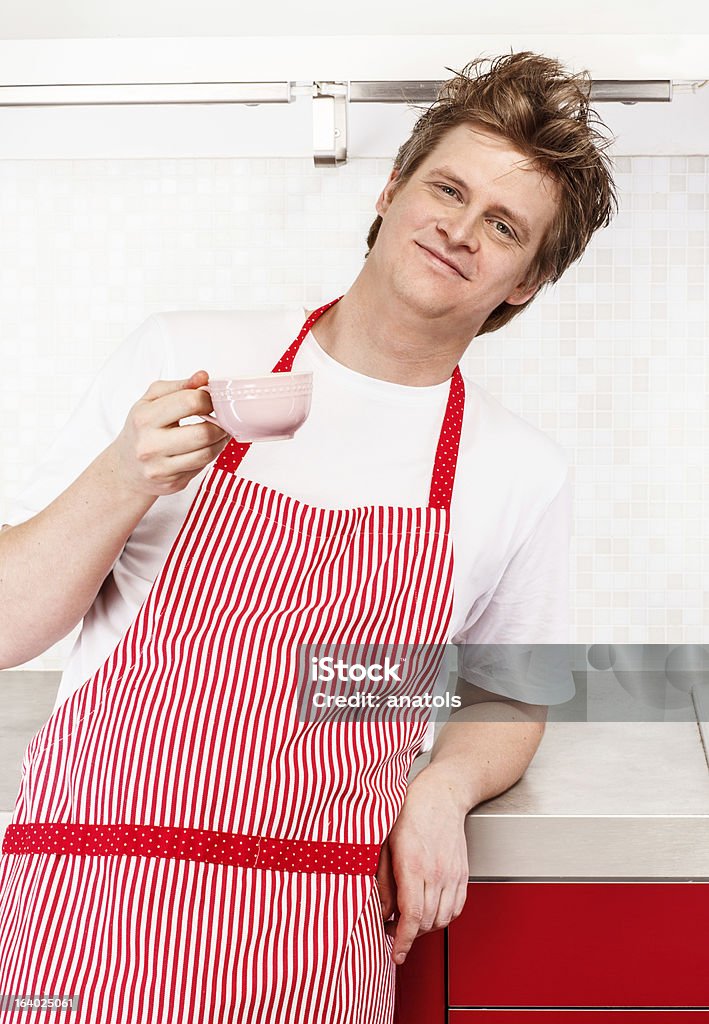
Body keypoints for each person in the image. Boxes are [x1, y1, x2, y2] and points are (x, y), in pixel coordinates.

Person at [0, 51, 616, 1024]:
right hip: (91, 908)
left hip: (309, 945)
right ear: (390, 187)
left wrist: (446, 786)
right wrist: (124, 473)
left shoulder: (519, 472)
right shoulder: (187, 359)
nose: (459, 229)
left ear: (527, 281)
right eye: (447, 188)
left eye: (503, 225)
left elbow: (517, 691)